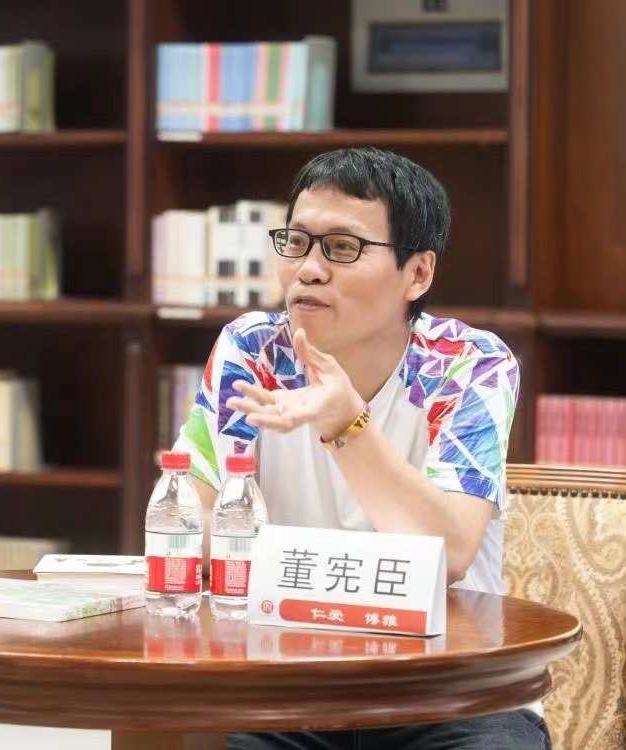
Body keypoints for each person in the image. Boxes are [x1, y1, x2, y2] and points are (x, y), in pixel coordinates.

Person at [173, 148, 549, 749]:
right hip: (283, 684)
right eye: (296, 242)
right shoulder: (252, 351)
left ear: (417, 273)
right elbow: (187, 521)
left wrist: (347, 424)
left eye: (342, 248)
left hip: (450, 690)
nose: (308, 269)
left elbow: (449, 551)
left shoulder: (468, 366)